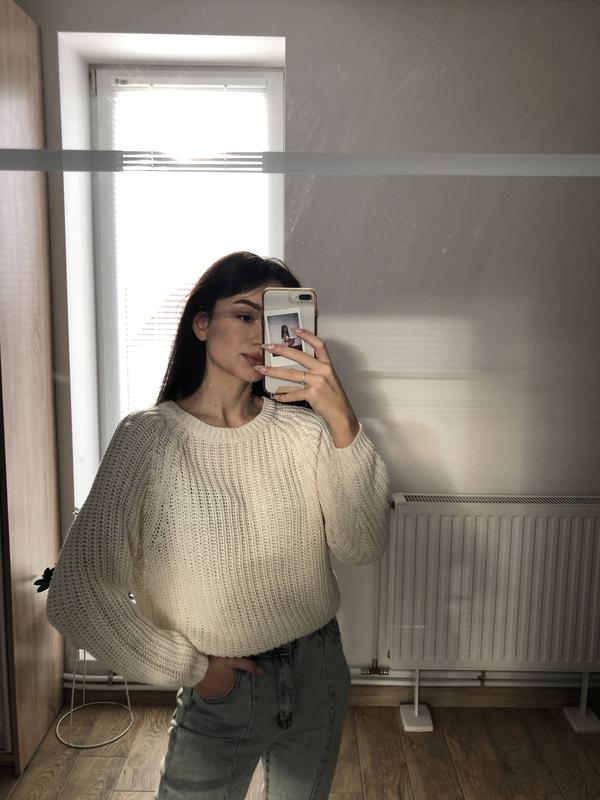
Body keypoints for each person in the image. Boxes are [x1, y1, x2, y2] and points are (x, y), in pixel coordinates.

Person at [46, 251, 391, 799]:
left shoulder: (306, 434)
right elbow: (76, 594)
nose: (261, 334)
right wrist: (193, 670)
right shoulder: (147, 440)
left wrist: (341, 417)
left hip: (319, 670)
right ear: (201, 323)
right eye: (245, 314)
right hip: (223, 688)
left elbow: (363, 544)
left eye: (275, 319)